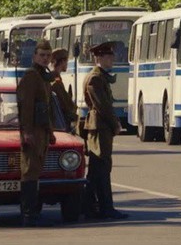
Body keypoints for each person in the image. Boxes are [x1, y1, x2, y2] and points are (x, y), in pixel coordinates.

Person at [83, 41, 129, 220]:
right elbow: (102, 106)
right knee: (101, 168)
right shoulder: (95, 77)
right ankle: (104, 208)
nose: (112, 59)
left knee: (98, 169)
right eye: (108, 56)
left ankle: (90, 207)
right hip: (99, 126)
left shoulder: (100, 76)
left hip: (101, 125)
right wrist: (115, 124)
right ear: (99, 58)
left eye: (112, 56)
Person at [17, 39, 56, 227]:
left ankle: (33, 212)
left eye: (48, 56)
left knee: (35, 171)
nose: (45, 59)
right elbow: (27, 107)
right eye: (42, 55)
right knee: (30, 172)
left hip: (41, 131)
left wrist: (50, 131)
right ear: (34, 56)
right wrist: (26, 132)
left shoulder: (43, 77)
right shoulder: (32, 76)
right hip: (32, 131)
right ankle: (28, 213)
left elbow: (46, 108)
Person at [50, 48, 77, 133]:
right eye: (66, 61)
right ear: (62, 62)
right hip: (59, 123)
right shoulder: (55, 81)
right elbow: (65, 103)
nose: (67, 64)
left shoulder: (56, 78)